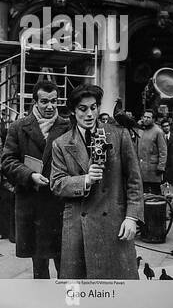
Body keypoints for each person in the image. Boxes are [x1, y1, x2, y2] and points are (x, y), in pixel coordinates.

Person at [48, 84, 143, 281]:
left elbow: (134, 180)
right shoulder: (61, 143)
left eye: (93, 107)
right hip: (78, 226)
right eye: (83, 109)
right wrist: (86, 180)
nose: (89, 114)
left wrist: (132, 217)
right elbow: (56, 183)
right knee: (80, 290)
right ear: (73, 111)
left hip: (114, 223)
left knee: (118, 289)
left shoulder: (119, 135)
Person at [0, 80, 71, 279]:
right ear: (35, 102)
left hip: (60, 204)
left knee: (66, 265)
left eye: (54, 101)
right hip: (33, 203)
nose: (50, 106)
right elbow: (7, 160)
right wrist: (29, 175)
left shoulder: (68, 127)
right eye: (44, 101)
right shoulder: (18, 127)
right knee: (39, 266)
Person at [134, 109, 168, 197]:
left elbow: (163, 151)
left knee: (154, 195)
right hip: (141, 168)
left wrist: (161, 167)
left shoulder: (158, 131)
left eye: (148, 117)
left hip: (153, 170)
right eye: (144, 117)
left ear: (153, 119)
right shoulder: (140, 130)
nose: (145, 119)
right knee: (143, 194)